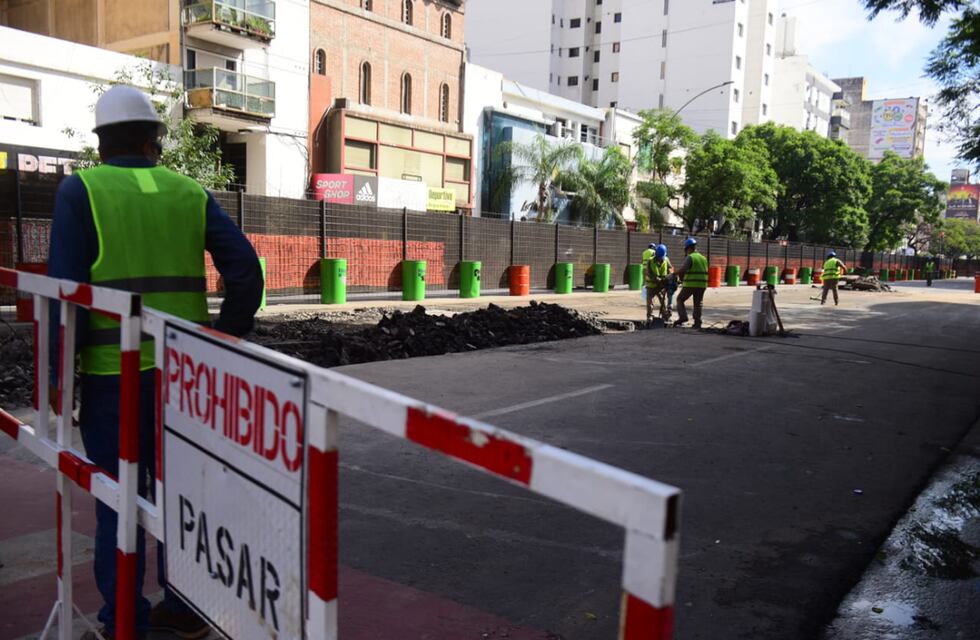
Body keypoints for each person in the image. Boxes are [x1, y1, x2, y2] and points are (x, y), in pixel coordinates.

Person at [47, 85, 264, 640]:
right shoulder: (188, 191)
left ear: (101, 144)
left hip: (109, 379)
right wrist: (223, 335)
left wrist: (55, 379)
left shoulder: (82, 192)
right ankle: (185, 607)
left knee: (118, 498)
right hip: (184, 377)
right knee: (181, 491)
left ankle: (125, 620)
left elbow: (62, 295)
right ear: (153, 140)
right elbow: (246, 270)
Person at [672, 237, 708, 329]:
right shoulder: (703, 258)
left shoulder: (690, 257)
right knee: (698, 303)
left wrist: (673, 274)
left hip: (691, 284)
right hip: (702, 285)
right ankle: (697, 323)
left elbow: (683, 270)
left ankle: (683, 317)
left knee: (680, 299)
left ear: (688, 248)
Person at [644, 244, 672, 325]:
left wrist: (670, 277)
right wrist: (657, 279)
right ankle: (649, 317)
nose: (659, 259)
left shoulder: (666, 260)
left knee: (663, 302)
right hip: (651, 286)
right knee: (650, 303)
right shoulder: (650, 261)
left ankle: (665, 316)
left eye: (661, 257)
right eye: (658, 257)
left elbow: (671, 269)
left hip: (661, 286)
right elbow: (649, 273)